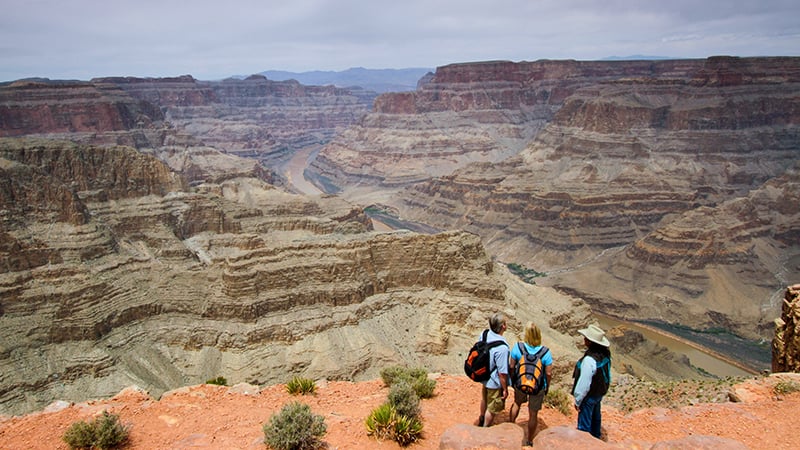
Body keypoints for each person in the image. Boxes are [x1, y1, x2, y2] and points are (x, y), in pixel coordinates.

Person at [509, 322, 553, 445]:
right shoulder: (546, 352)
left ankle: (510, 428)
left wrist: (513, 379)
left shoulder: (518, 347)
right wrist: (547, 386)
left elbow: (511, 366)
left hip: (520, 383)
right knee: (533, 414)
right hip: (538, 387)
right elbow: (548, 373)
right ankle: (529, 440)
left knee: (517, 403)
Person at [571, 324, 611, 439]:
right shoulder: (604, 355)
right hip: (598, 394)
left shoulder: (589, 360)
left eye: (586, 338)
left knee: (584, 427)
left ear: (590, 342)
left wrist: (578, 400)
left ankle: (586, 443)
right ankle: (596, 439)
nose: (584, 339)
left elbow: (585, 383)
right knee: (595, 420)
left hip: (588, 397)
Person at [475, 313, 509, 427]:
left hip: (483, 375)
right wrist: (505, 389)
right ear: (503, 326)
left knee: (484, 399)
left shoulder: (484, 334)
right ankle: (485, 428)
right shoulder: (502, 348)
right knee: (492, 408)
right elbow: (502, 373)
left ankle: (481, 418)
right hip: (494, 382)